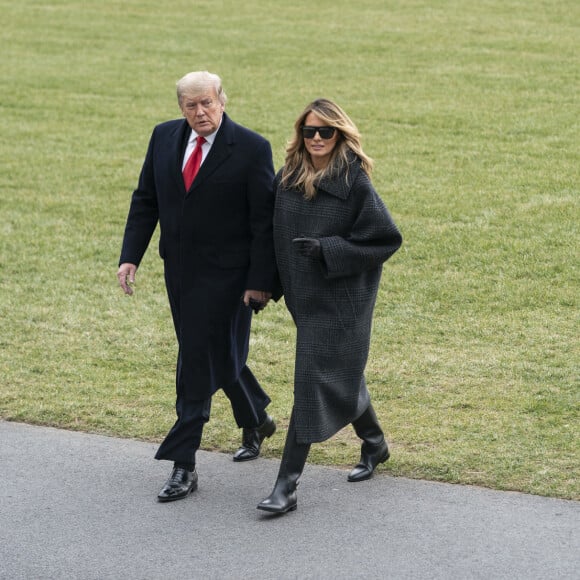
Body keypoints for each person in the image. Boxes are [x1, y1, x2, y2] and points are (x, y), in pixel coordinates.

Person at [117, 71, 278, 503]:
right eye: (191, 105)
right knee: (220, 356)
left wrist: (260, 283)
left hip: (231, 279)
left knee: (194, 361)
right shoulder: (164, 138)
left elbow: (264, 224)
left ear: (222, 100)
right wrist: (131, 255)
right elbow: (146, 198)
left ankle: (183, 462)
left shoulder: (250, 148)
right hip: (182, 272)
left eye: (207, 102)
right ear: (180, 108)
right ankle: (256, 416)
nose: (200, 112)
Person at [257, 98, 403, 514]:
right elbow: (272, 237)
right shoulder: (286, 177)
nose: (317, 138)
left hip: (343, 302)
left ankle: (286, 485)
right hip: (304, 299)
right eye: (309, 131)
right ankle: (374, 443)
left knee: (310, 380)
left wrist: (328, 250)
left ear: (340, 134)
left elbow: (385, 239)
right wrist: (263, 287)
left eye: (326, 131)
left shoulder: (354, 182)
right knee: (334, 374)